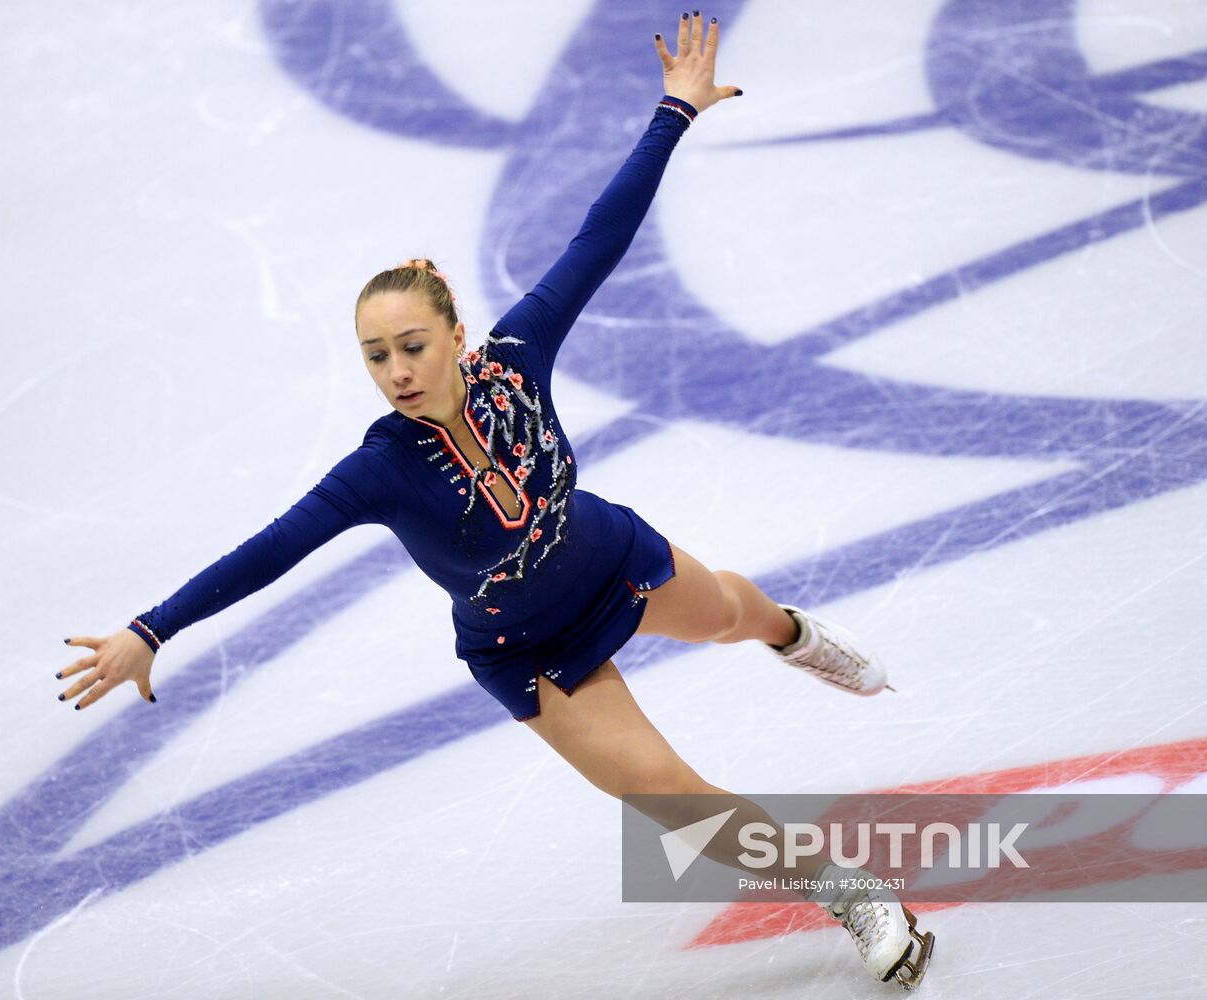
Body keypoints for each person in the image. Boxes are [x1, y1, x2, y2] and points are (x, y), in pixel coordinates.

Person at [56, 11, 932, 990]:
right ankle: (850, 891)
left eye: (411, 346)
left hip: (610, 556)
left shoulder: (516, 357)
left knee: (733, 612)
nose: (396, 371)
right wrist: (152, 628)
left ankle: (794, 635)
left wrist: (674, 111)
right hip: (525, 647)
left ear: (455, 335)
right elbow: (268, 550)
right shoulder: (377, 470)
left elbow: (600, 235)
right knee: (672, 801)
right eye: (375, 356)